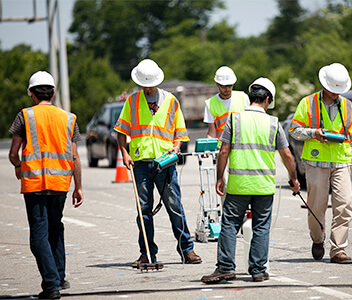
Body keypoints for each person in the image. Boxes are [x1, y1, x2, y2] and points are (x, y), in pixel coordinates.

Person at [201, 77, 300, 284]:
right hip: (263, 186)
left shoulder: (234, 120)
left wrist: (219, 177)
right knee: (261, 227)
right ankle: (258, 271)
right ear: (268, 100)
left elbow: (224, 151)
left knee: (229, 224)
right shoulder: (274, 123)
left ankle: (226, 268)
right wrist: (294, 179)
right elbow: (287, 155)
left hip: (238, 184)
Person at [114, 59, 202, 266]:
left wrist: (176, 147)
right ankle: (146, 253)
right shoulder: (132, 102)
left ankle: (186, 250)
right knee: (143, 209)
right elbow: (120, 131)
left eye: (149, 84)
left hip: (165, 163)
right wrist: (125, 154)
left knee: (174, 206)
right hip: (140, 163)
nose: (147, 87)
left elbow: (179, 132)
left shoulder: (171, 101)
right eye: (143, 84)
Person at [8, 71, 83, 299]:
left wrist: (19, 166)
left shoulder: (24, 116)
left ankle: (51, 285)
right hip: (60, 183)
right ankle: (59, 277)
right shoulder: (69, 118)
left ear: (32, 93)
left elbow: (13, 153)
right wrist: (78, 187)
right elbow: (74, 157)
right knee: (55, 228)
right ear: (53, 93)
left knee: (39, 235)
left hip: (34, 185)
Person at [289, 63, 352, 264]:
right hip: (316, 162)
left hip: (341, 161)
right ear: (326, 86)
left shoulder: (347, 105)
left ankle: (338, 250)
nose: (337, 94)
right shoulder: (307, 103)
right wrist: (313, 133)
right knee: (316, 207)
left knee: (344, 206)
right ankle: (317, 239)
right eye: (334, 90)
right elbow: (294, 131)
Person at [204, 66, 250, 143]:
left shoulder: (243, 97)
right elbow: (212, 130)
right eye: (223, 86)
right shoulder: (210, 103)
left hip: (241, 145)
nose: (227, 89)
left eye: (230, 85)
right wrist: (208, 148)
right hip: (222, 147)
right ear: (217, 84)